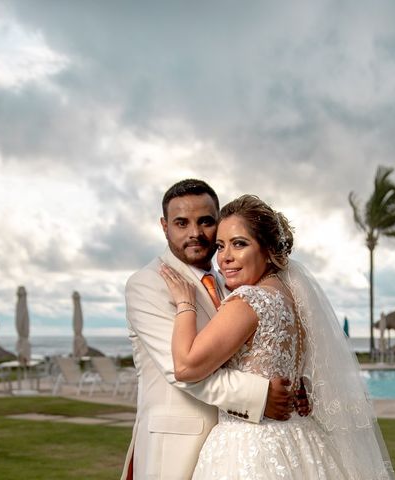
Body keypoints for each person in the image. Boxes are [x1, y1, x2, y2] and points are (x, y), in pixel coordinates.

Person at [161, 194, 395, 479]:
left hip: (249, 446)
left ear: (269, 250)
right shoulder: (294, 301)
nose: (225, 257)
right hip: (299, 439)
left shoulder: (249, 300)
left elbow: (186, 367)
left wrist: (184, 303)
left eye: (240, 244)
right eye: (221, 246)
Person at [121, 180, 300, 480]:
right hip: (178, 444)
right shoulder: (148, 283)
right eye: (182, 223)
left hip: (237, 446)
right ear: (164, 227)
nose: (195, 233)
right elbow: (182, 370)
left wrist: (292, 388)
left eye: (205, 221)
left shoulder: (234, 278)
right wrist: (262, 395)